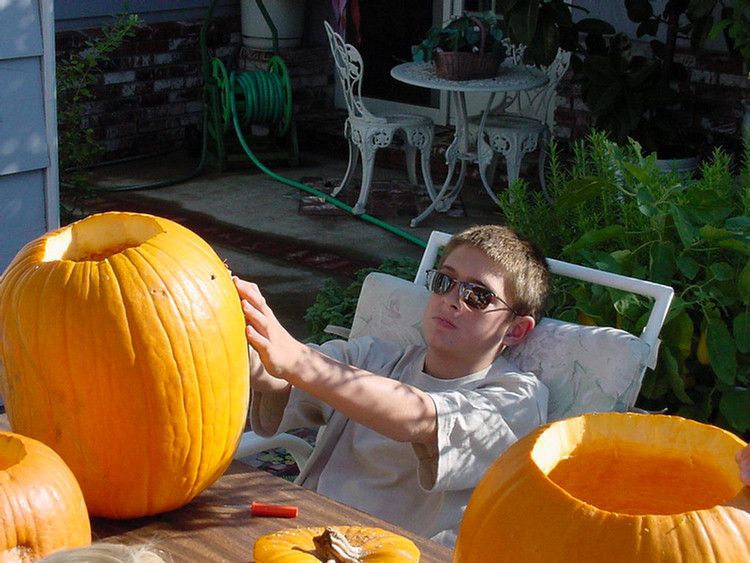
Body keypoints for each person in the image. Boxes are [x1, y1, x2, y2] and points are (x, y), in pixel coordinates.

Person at [234, 224, 551, 547]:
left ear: (516, 331)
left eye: (477, 296)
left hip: (399, 553)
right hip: (307, 535)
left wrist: (299, 361)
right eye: (444, 281)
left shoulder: (518, 398)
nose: (452, 301)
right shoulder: (376, 356)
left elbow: (419, 418)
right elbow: (275, 371)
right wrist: (218, 323)